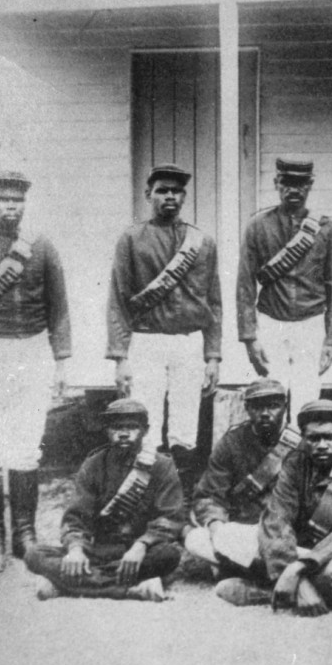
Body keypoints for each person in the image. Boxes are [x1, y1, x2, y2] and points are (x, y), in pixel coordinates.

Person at [0, 171, 71, 571]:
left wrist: (61, 361)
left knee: (25, 443)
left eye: (17, 201)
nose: (10, 207)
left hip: (32, 352)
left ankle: (24, 533)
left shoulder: (42, 248)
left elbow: (59, 308)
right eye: (3, 199)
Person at [215, 401, 332, 616]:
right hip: (300, 550)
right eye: (314, 438)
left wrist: (297, 568)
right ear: (303, 438)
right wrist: (294, 572)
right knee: (226, 534)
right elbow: (277, 519)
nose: (322, 445)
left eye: (330, 437)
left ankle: (267, 590)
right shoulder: (294, 464)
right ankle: (322, 592)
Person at [106, 163, 221, 460]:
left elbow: (214, 302)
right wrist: (120, 358)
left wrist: (212, 356)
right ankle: (148, 495)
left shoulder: (202, 242)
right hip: (147, 341)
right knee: (146, 422)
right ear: (148, 195)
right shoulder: (131, 239)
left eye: (177, 191)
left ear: (184, 197)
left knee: (185, 426)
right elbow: (118, 300)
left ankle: (178, 499)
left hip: (188, 341)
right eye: (162, 191)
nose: (170, 196)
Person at [24, 399, 184, 601]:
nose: (124, 433)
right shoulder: (93, 464)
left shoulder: (162, 466)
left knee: (168, 555)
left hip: (137, 551)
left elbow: (170, 518)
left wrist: (141, 545)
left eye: (132, 427)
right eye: (117, 427)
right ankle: (130, 589)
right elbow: (76, 518)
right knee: (34, 554)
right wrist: (75, 549)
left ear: (145, 430)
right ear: (107, 430)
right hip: (96, 549)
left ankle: (66, 584)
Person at [236, 157, 332, 411]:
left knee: (307, 401)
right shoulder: (257, 226)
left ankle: (301, 451)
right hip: (271, 323)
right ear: (276, 183)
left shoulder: (326, 229)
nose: (294, 190)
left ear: (310, 185)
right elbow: (244, 286)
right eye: (287, 182)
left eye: (301, 183)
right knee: (270, 399)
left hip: (311, 324)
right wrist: (250, 338)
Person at [186, 378, 299, 576]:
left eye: (273, 406)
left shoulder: (300, 446)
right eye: (257, 407)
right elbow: (209, 496)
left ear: (285, 407)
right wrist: (216, 527)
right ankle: (280, 574)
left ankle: (248, 573)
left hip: (285, 532)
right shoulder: (231, 443)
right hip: (243, 532)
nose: (265, 414)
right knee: (195, 539)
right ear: (246, 408)